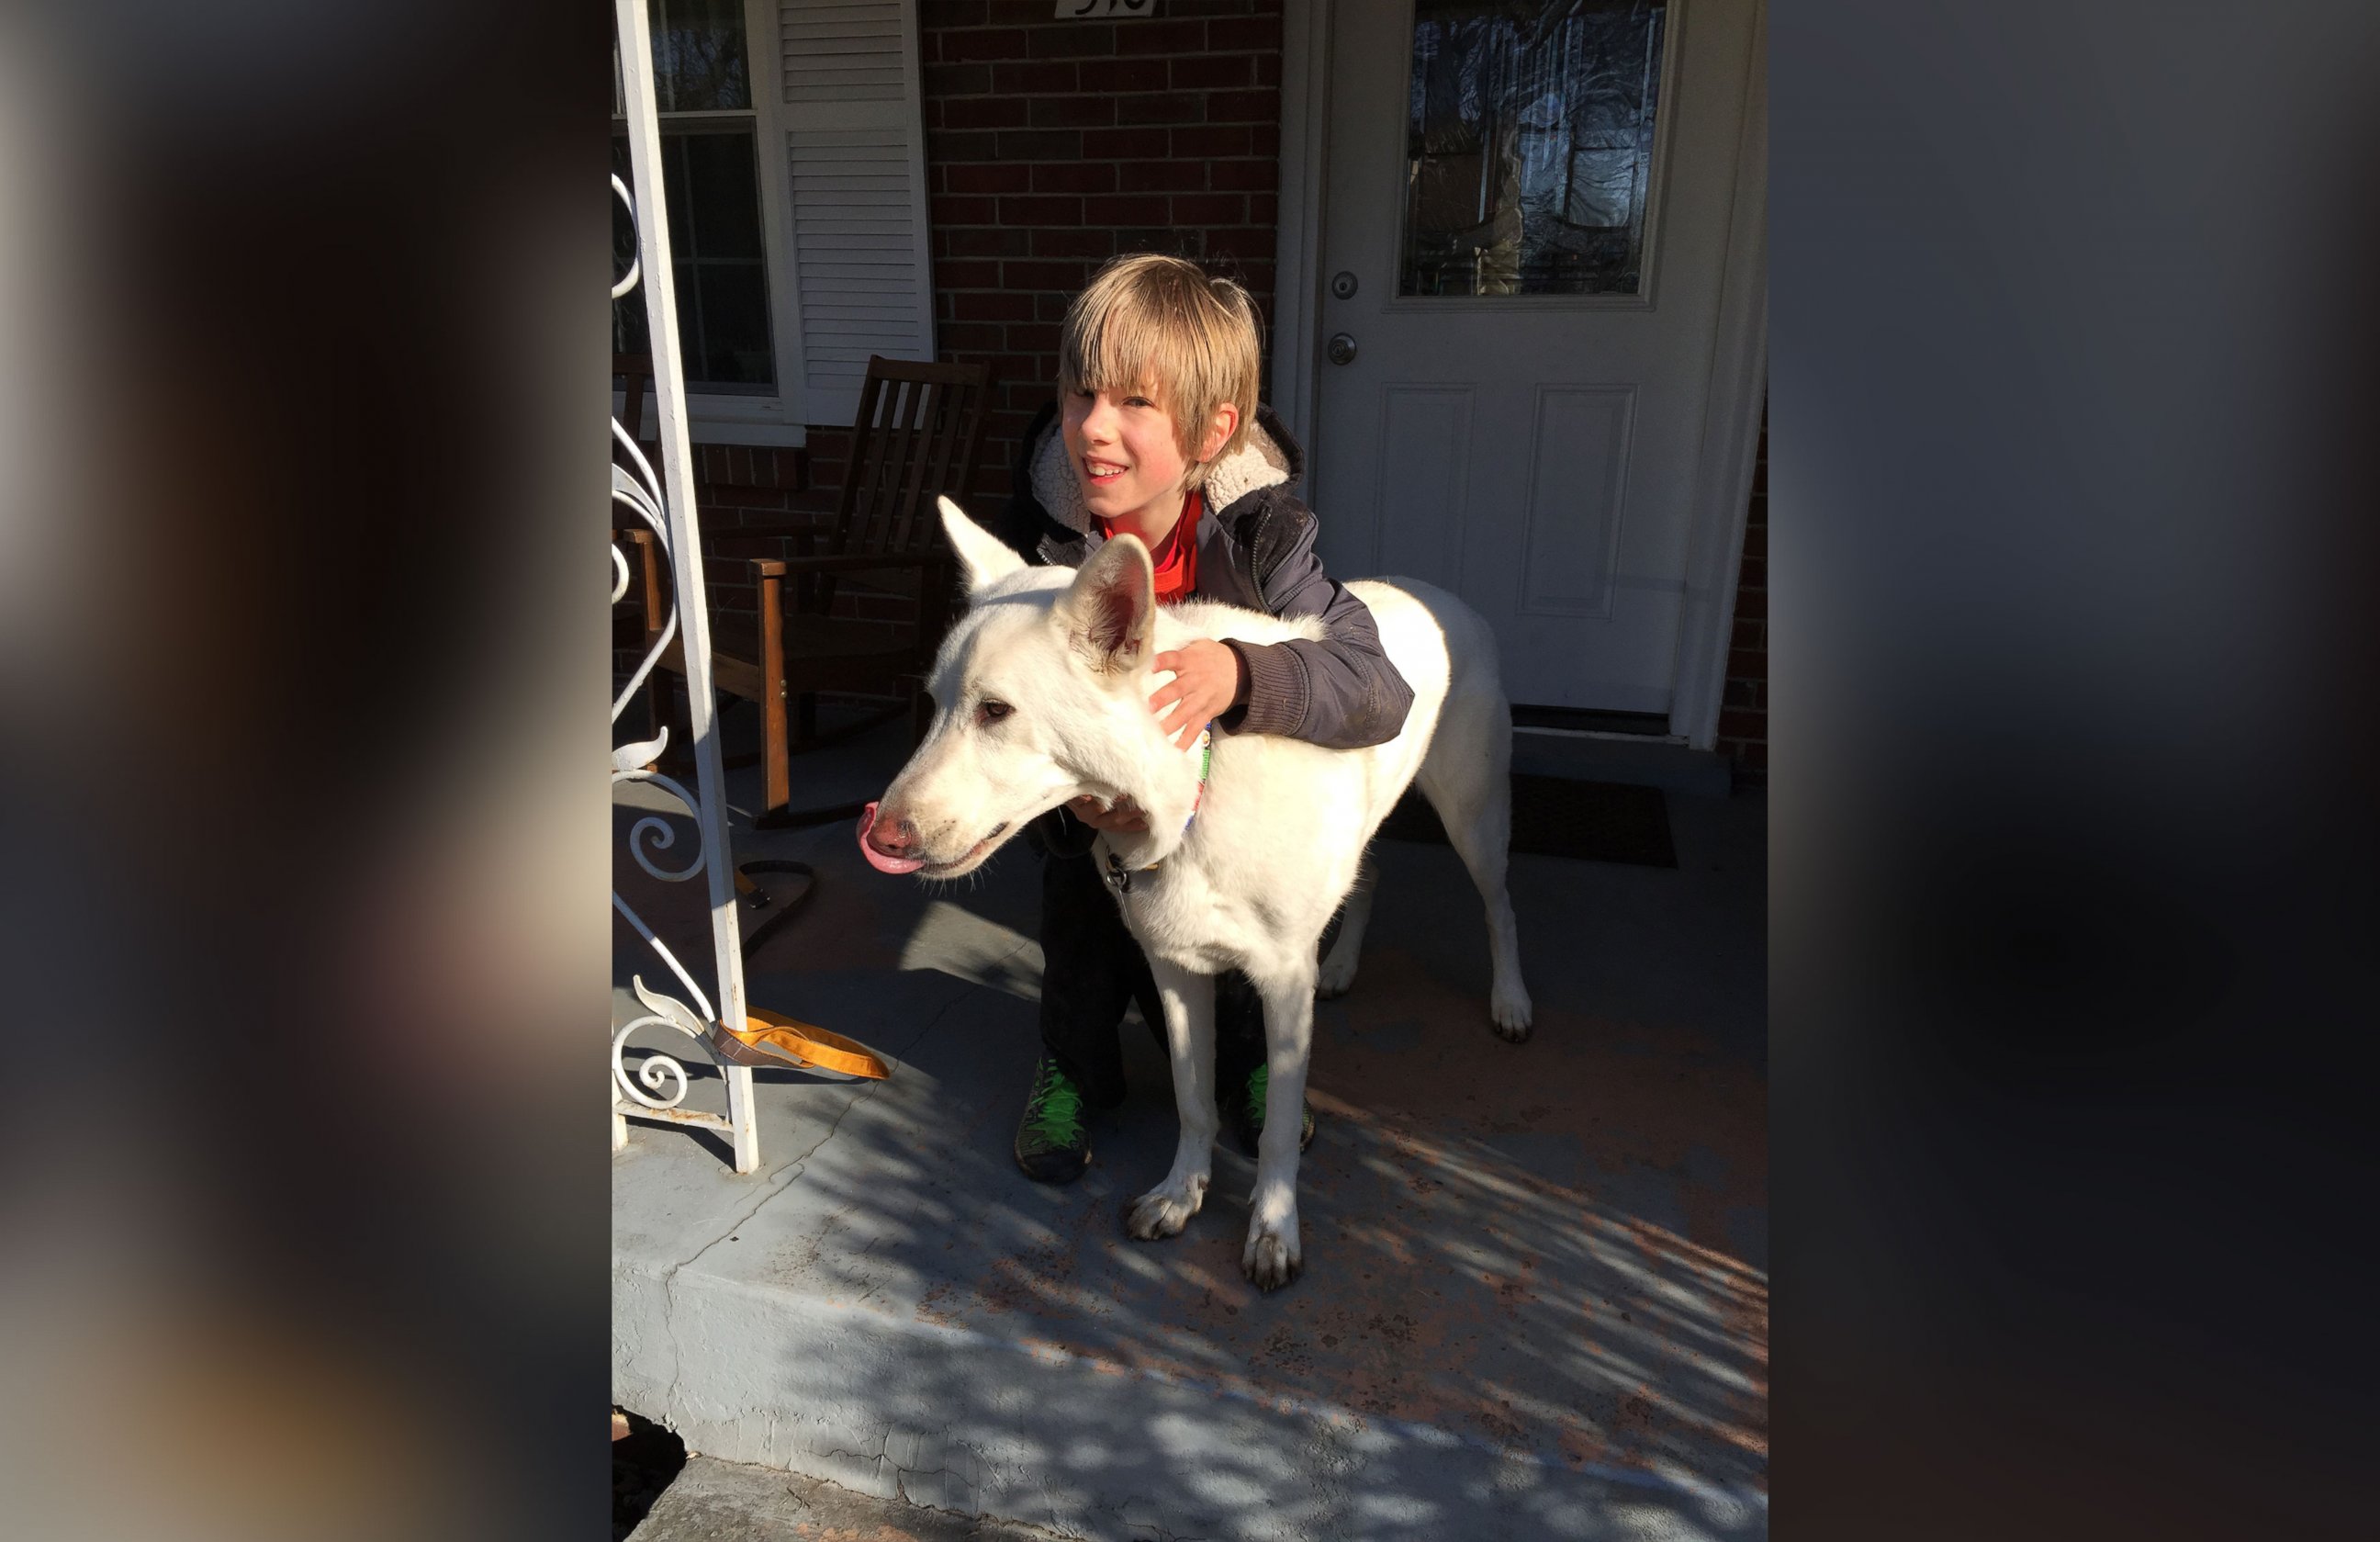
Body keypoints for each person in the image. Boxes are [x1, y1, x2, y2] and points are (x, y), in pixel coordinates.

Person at [993, 253, 1415, 1184]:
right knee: (1079, 919)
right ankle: (1070, 1063)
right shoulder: (1049, 540)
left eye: (1136, 404)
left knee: (1229, 917)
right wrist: (1071, 809)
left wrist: (1242, 670)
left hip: (1222, 812)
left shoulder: (1263, 541)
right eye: (1079, 394)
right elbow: (996, 695)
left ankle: (1251, 1066)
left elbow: (1378, 685)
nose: (1095, 430)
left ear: (1212, 430)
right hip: (1087, 814)